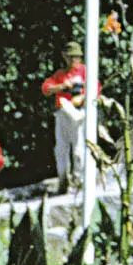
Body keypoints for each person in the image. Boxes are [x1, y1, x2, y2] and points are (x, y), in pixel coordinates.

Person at [42, 43, 88, 190]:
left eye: (76, 57)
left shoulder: (84, 71)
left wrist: (82, 98)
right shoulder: (60, 74)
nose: (73, 60)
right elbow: (46, 88)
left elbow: (96, 89)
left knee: (78, 148)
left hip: (79, 111)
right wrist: (62, 86)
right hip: (62, 113)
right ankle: (63, 179)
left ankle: (78, 177)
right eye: (70, 57)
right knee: (61, 147)